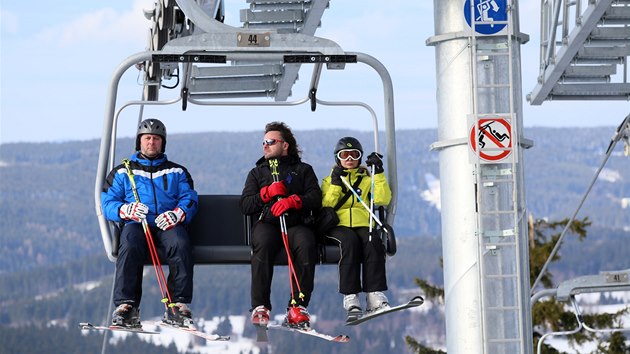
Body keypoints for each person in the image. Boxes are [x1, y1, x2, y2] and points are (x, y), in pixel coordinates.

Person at [101, 118, 198, 328]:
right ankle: (126, 306)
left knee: (180, 243)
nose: (151, 143)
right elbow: (108, 201)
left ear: (162, 143)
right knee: (129, 243)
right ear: (139, 141)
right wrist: (124, 210)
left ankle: (177, 305)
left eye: (156, 139)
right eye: (147, 138)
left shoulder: (176, 171)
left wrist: (178, 213)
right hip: (137, 222)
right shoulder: (123, 171)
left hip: (166, 222)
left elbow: (189, 197)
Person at [240, 121, 322, 329]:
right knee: (263, 243)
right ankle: (260, 306)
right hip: (268, 222)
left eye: (271, 141)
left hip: (295, 222)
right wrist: (265, 194)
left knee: (305, 243)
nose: (265, 146)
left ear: (285, 145)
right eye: (264, 142)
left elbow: (315, 197)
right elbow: (245, 204)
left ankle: (298, 305)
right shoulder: (258, 172)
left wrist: (295, 201)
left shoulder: (303, 170)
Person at [321, 137, 392, 320]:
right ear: (338, 158)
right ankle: (350, 296)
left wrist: (378, 173)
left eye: (355, 154)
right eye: (344, 155)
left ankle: (374, 294)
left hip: (362, 222)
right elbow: (326, 204)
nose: (350, 158)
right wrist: (336, 184)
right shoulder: (329, 180)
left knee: (372, 242)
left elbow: (382, 199)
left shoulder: (367, 180)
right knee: (349, 242)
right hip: (338, 225)